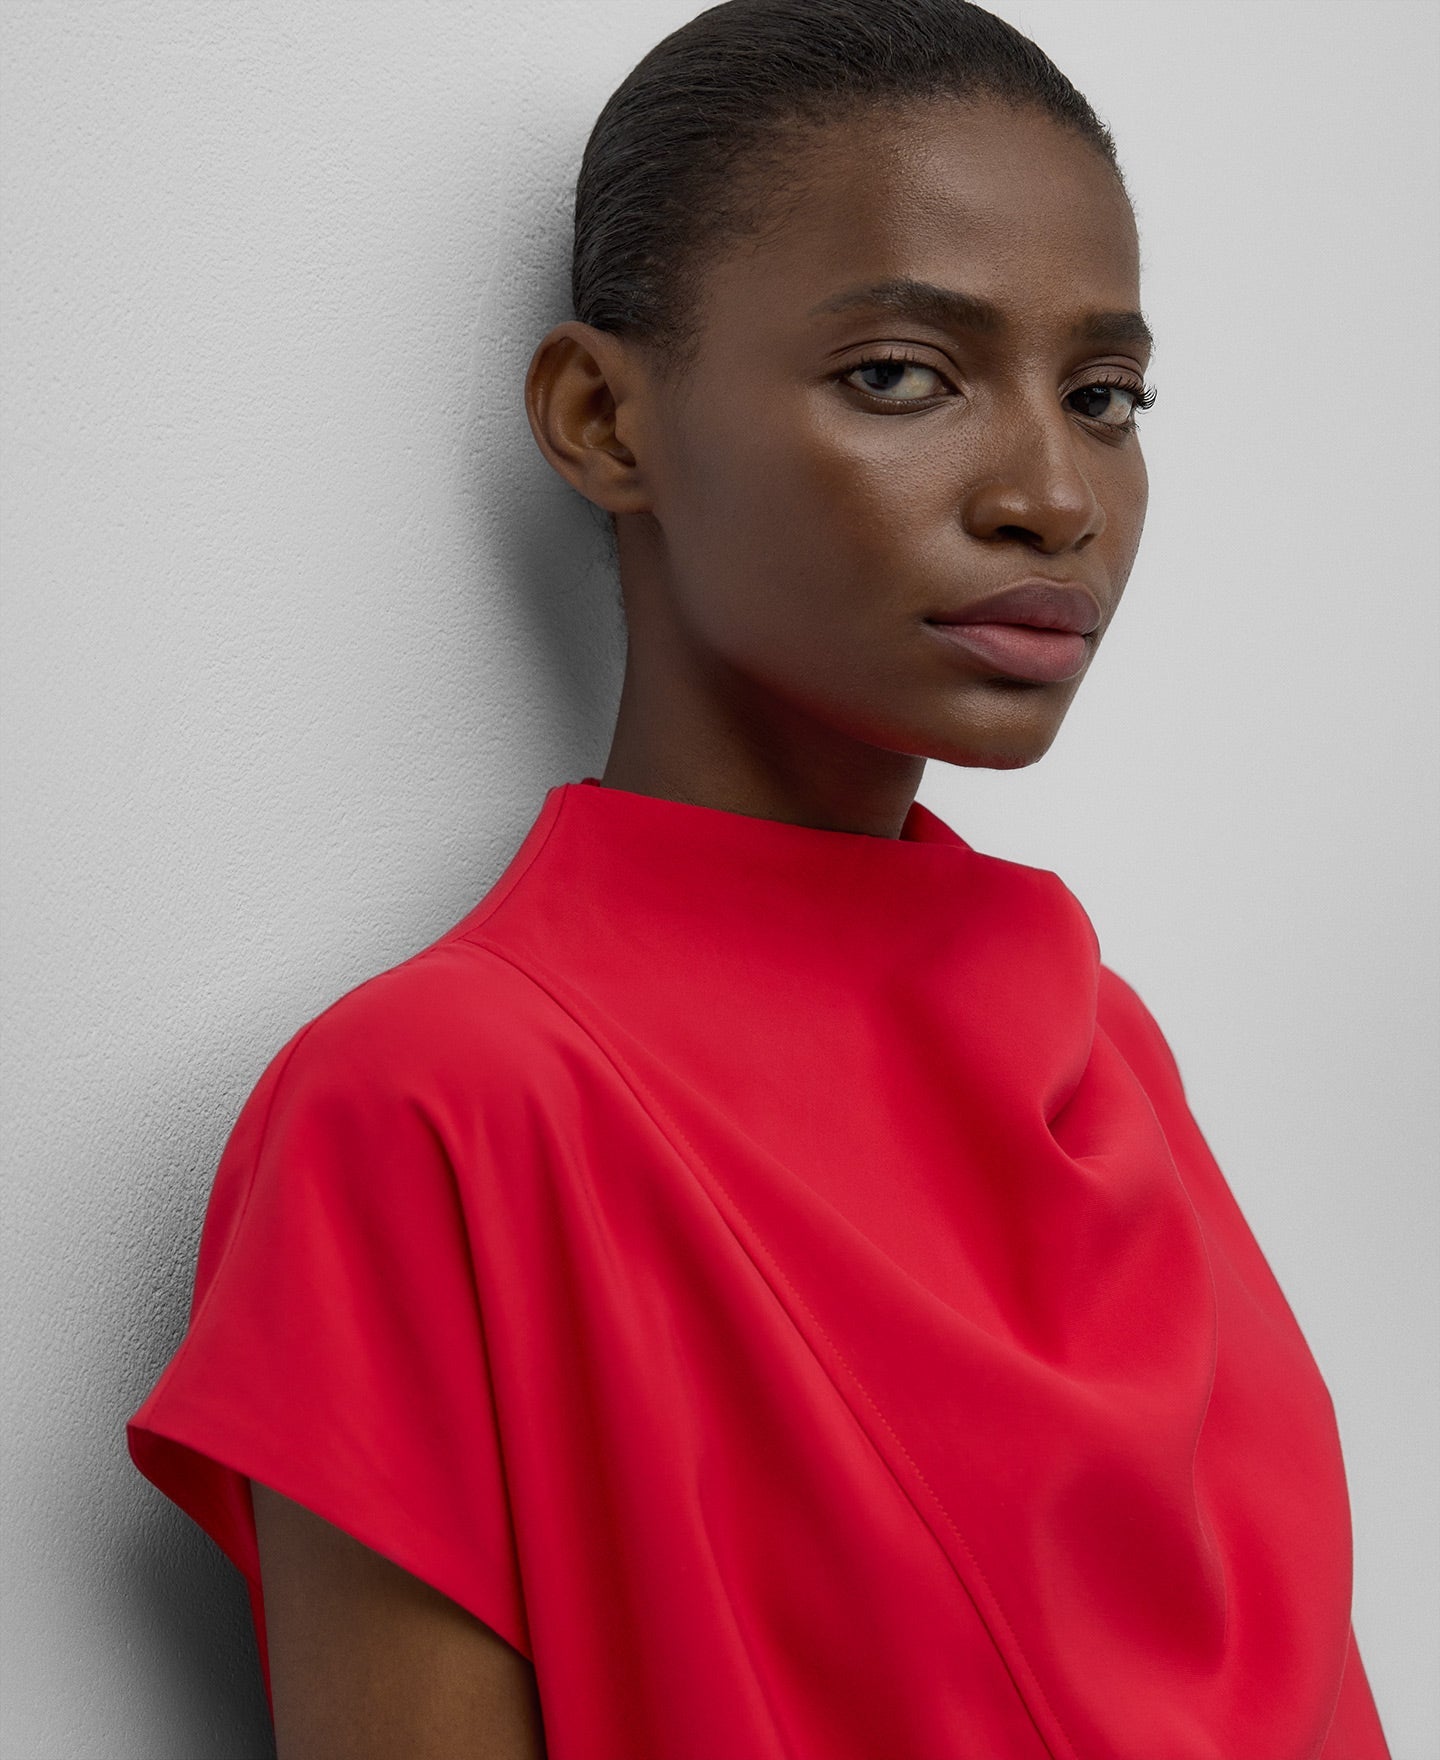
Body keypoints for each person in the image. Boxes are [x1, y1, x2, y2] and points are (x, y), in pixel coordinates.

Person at [126, 2, 1393, 1755]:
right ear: (601, 418)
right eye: (902, 375)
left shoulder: (1106, 1057)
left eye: (1105, 397)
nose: (1051, 493)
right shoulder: (435, 1111)